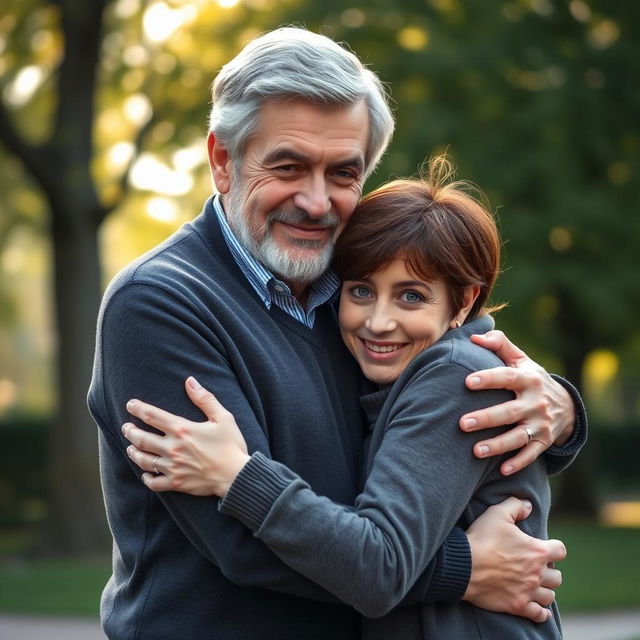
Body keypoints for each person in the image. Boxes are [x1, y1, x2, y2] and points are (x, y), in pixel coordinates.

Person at [88, 27, 586, 640]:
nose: (317, 202)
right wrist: (461, 569)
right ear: (224, 160)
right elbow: (242, 542)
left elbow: (454, 378)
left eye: (343, 173)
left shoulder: (350, 290)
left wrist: (559, 410)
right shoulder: (160, 303)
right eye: (289, 166)